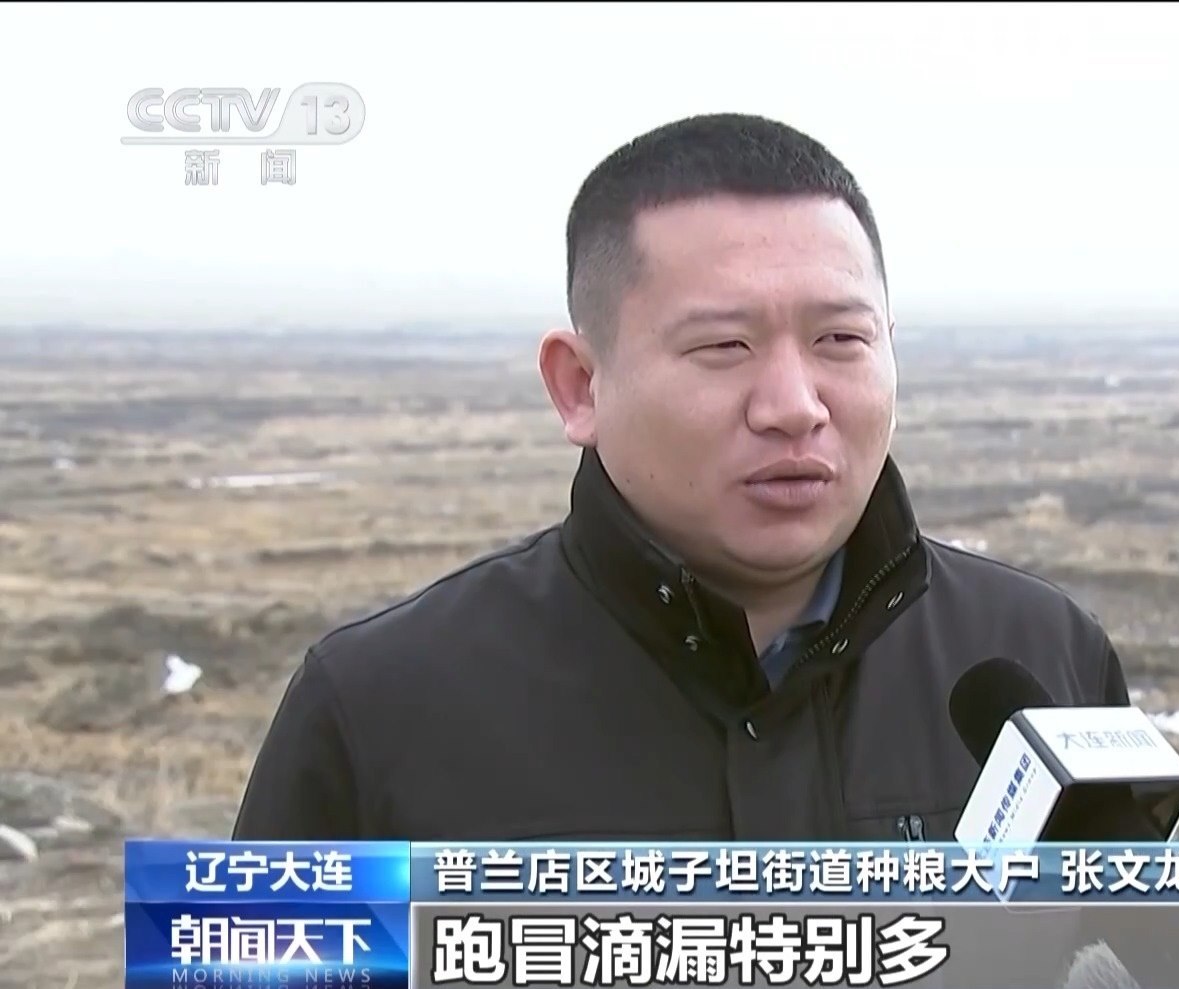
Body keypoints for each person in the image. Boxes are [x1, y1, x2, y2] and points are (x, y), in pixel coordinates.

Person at [230, 112, 1132, 841]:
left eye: (840, 339)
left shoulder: (1041, 654)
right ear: (579, 385)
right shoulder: (380, 708)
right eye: (725, 346)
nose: (794, 405)